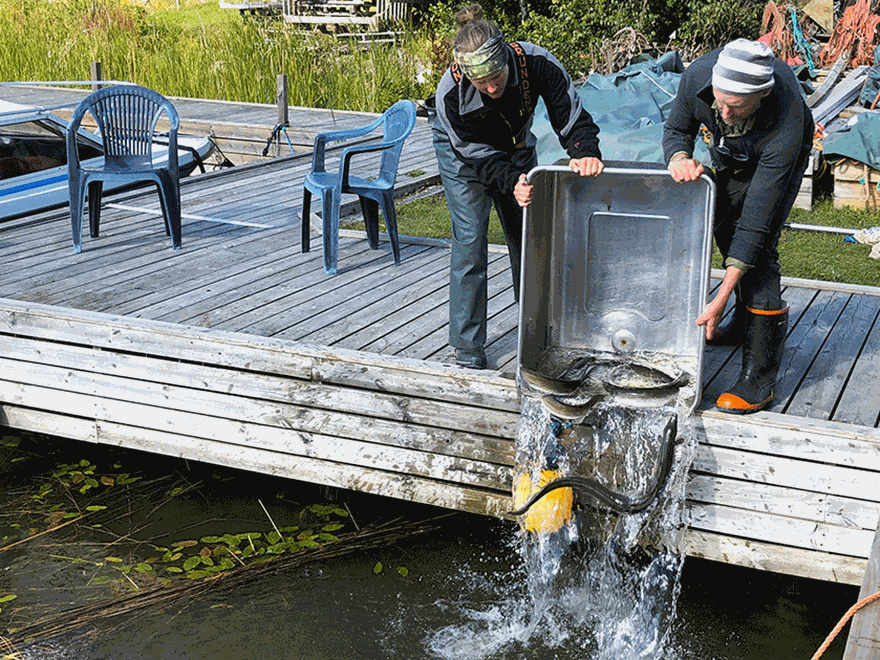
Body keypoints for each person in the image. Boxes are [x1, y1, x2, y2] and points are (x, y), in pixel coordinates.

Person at [428, 4, 604, 369]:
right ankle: (467, 347)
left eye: (498, 76)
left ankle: (535, 331)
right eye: (482, 83)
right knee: (470, 240)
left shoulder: (538, 63)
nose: (492, 87)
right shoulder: (450, 94)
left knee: (528, 237)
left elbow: (569, 115)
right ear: (464, 74)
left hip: (515, 141)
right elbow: (479, 156)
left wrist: (584, 151)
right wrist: (512, 183)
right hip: (464, 153)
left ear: (507, 55)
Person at [663, 38, 814, 414]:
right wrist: (679, 157)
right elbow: (676, 130)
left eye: (736, 105)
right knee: (724, 224)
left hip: (775, 158)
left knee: (757, 252)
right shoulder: (697, 76)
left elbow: (756, 224)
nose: (724, 112)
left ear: (761, 96)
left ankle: (759, 377)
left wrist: (721, 292)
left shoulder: (786, 119)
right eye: (720, 101)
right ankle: (740, 320)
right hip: (732, 154)